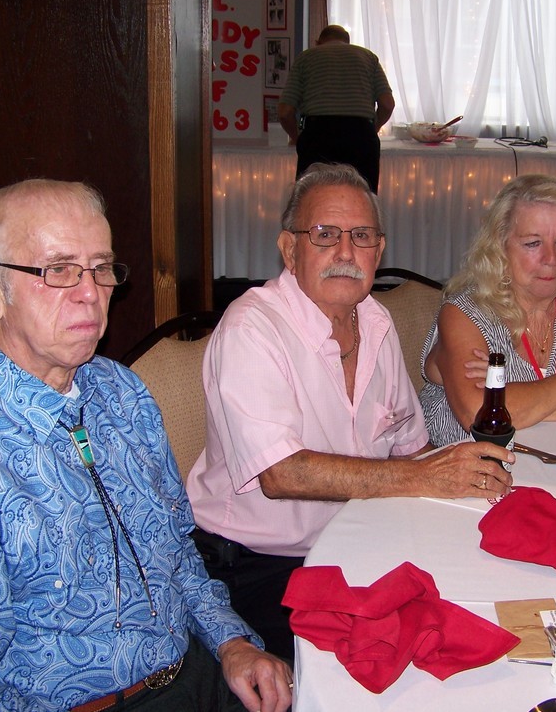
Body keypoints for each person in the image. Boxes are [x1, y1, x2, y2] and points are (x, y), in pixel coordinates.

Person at [0, 180, 292, 712]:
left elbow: (175, 552)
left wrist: (232, 642)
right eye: (59, 270)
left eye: (101, 268)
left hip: (194, 667)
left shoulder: (121, 392)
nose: (90, 293)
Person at [186, 163, 514, 662]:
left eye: (361, 236)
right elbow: (282, 474)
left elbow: (411, 448)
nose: (345, 252)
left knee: (477, 595)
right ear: (289, 249)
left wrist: (465, 483)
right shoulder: (251, 329)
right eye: (325, 234)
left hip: (356, 542)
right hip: (258, 566)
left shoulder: (375, 322)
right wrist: (424, 477)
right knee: (386, 661)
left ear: (378, 252)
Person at [419, 174, 556, 446]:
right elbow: (478, 413)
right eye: (533, 243)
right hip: (472, 465)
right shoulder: (464, 313)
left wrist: (523, 405)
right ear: (500, 247)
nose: (551, 259)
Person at [277, 24, 395, 193]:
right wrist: (373, 128)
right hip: (360, 136)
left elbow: (285, 112)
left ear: (318, 42)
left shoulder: (305, 58)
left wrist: (298, 138)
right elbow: (387, 104)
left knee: (314, 198)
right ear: (347, 42)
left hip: (318, 136)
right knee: (362, 198)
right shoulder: (368, 57)